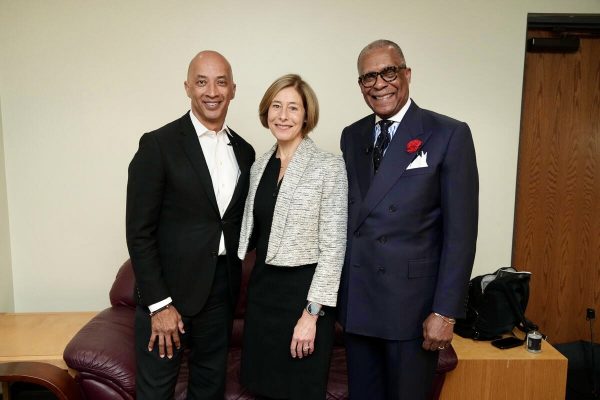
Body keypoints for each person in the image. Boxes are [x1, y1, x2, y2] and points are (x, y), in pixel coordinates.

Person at [337, 39, 479, 400]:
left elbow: (461, 233)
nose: (379, 83)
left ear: (407, 74)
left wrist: (445, 312)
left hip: (412, 308)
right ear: (360, 85)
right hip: (361, 301)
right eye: (369, 77)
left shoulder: (448, 133)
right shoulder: (351, 136)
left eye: (389, 72)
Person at [126, 50, 255, 400]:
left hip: (220, 293)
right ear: (187, 87)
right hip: (169, 296)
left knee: (209, 389)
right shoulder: (158, 145)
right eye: (202, 82)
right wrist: (159, 305)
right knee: (156, 392)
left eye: (221, 82)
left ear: (233, 90)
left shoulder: (245, 151)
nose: (211, 91)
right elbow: (139, 233)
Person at [237, 74, 347, 400]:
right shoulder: (258, 167)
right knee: (259, 388)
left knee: (299, 389)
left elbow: (333, 247)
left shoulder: (329, 167)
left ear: (306, 115)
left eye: (293, 108)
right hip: (262, 297)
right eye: (276, 106)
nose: (283, 116)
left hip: (303, 299)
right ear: (266, 111)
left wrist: (311, 315)